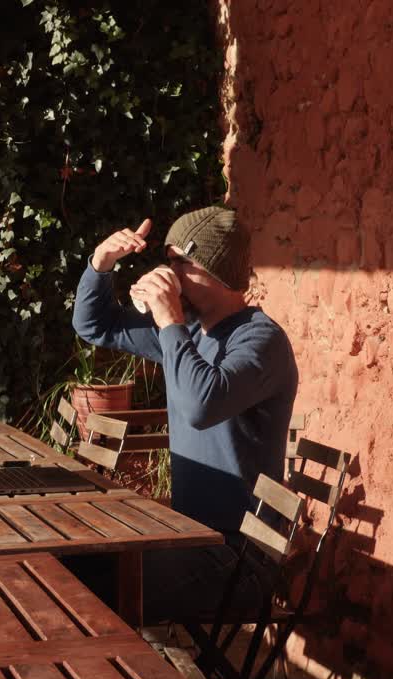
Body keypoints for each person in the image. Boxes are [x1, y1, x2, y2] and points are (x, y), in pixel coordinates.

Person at [71, 205, 299, 622]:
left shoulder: (262, 342)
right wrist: (101, 265)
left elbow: (201, 406)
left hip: (235, 560)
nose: (169, 275)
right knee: (70, 561)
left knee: (81, 589)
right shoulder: (190, 333)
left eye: (181, 263)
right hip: (189, 538)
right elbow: (94, 325)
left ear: (217, 271)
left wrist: (169, 320)